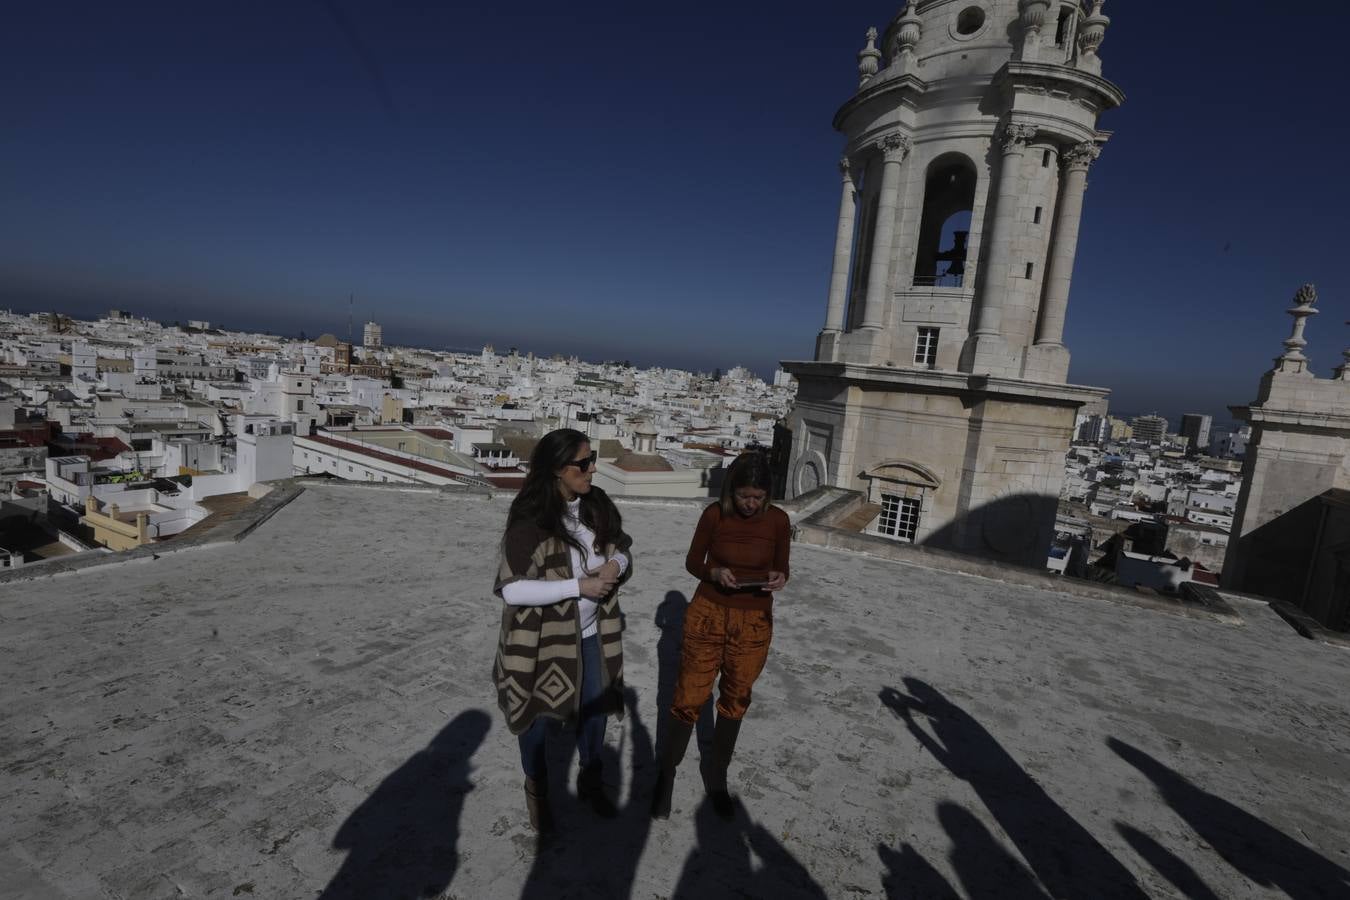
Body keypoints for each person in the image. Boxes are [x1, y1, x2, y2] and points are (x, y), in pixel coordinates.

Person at [492, 428, 634, 832]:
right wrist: (580, 587)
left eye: (592, 460)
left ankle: (590, 780)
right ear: (557, 469)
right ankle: (537, 789)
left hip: (592, 634)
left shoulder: (595, 506)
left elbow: (623, 548)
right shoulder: (531, 520)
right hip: (539, 642)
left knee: (595, 711)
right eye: (584, 463)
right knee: (535, 718)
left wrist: (613, 567)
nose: (592, 469)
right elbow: (514, 589)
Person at [651, 449, 789, 820]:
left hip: (754, 621)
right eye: (745, 496)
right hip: (708, 614)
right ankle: (666, 773)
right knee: (689, 695)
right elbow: (694, 561)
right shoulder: (714, 515)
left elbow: (782, 568)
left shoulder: (777, 521)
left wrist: (778, 578)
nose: (750, 504)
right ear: (732, 492)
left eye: (758, 498)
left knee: (736, 697)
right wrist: (714, 574)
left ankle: (717, 776)